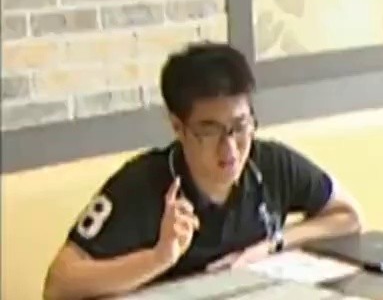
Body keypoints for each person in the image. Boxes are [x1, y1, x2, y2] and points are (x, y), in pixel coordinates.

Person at [43, 42, 363, 299]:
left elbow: (348, 215)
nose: (230, 149)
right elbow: (59, 283)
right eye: (209, 131)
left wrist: (272, 244)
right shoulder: (140, 184)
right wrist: (158, 258)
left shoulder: (270, 163)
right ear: (178, 127)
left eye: (240, 126)